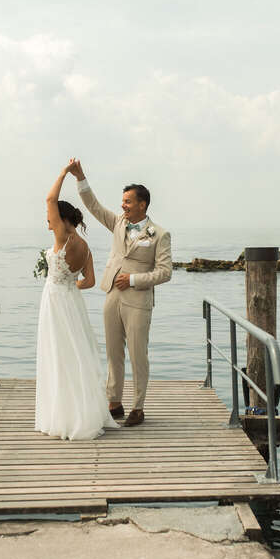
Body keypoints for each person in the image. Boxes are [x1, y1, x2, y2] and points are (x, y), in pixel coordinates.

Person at [66, 158, 172, 427]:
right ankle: (114, 402)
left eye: (127, 201)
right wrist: (81, 178)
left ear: (142, 204)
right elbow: (92, 206)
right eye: (122, 201)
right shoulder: (117, 223)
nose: (122, 205)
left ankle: (138, 407)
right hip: (112, 294)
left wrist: (134, 279)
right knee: (113, 352)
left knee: (138, 354)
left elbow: (165, 272)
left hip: (138, 300)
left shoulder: (159, 234)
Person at [34, 164, 121, 440]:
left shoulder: (62, 235)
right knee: (75, 353)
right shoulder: (84, 246)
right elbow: (90, 281)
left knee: (58, 354)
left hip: (56, 300)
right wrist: (71, 283)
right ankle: (81, 409)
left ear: (60, 218)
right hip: (72, 301)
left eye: (50, 218)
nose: (47, 221)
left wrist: (63, 174)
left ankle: (63, 415)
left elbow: (49, 199)